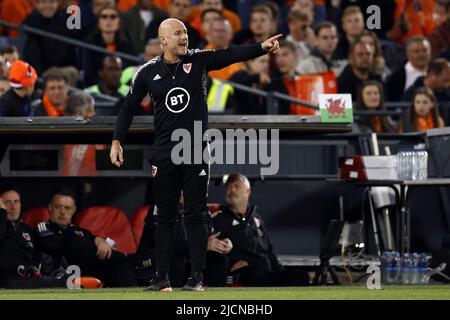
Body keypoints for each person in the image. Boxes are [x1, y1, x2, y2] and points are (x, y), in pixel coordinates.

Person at [110, 17, 281, 291]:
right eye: (178, 33)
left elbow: (229, 55)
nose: (184, 38)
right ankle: (161, 278)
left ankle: (197, 278)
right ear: (163, 39)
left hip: (195, 149)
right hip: (165, 152)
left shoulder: (198, 61)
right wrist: (117, 141)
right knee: (163, 215)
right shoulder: (146, 72)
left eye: (186, 33)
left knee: (196, 214)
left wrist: (260, 47)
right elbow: (129, 106)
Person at [211, 173, 310, 287]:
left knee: (300, 276)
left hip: (266, 269)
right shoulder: (218, 219)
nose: (231, 190)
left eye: (236, 186)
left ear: (248, 192)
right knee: (255, 275)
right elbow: (215, 253)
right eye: (228, 187)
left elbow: (268, 250)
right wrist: (232, 264)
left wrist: (279, 269)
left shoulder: (256, 219)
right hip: (245, 272)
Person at [34, 189, 137, 287]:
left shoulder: (79, 231)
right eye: (58, 207)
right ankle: (124, 258)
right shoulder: (43, 228)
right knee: (77, 242)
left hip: (91, 271)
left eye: (67, 208)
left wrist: (101, 242)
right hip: (62, 276)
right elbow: (61, 244)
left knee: (126, 264)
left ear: (74, 210)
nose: (62, 212)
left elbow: (93, 237)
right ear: (50, 207)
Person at [0, 187, 64, 288]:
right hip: (7, 280)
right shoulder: (2, 227)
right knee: (46, 282)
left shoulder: (26, 229)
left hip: (28, 278)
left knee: (56, 278)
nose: (13, 207)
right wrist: (2, 214)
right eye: (7, 202)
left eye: (16, 202)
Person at [82, 4, 136, 87]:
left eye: (113, 17)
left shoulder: (126, 44)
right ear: (99, 23)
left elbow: (131, 67)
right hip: (96, 87)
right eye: (104, 17)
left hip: (122, 87)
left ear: (119, 23)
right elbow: (89, 74)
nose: (108, 20)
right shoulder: (90, 45)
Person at [22, 0, 76, 74]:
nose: (47, 6)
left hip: (62, 69)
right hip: (39, 71)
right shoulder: (30, 21)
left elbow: (70, 49)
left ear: (57, 3)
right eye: (44, 2)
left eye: (52, 2)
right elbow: (30, 54)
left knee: (72, 71)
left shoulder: (65, 20)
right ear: (37, 4)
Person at [385, 37, 431, 101]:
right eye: (416, 51)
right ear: (408, 54)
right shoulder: (395, 78)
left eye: (424, 50)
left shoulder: (438, 71)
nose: (421, 54)